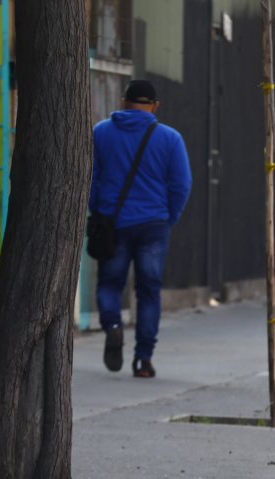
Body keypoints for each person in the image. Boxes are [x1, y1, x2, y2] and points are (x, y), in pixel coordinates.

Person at [89, 79, 192, 378]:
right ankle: (143, 359)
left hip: (113, 223)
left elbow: (91, 176)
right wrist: (168, 216)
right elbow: (181, 184)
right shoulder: (170, 139)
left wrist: (98, 209)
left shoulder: (101, 133)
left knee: (109, 284)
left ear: (123, 102)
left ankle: (113, 325)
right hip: (153, 225)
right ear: (155, 106)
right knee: (148, 292)